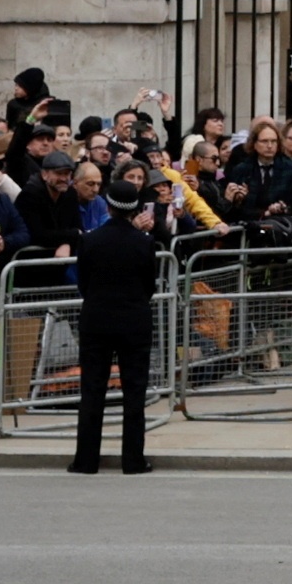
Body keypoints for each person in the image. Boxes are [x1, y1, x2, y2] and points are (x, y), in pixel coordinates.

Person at [69, 153, 166, 475]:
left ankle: (85, 460)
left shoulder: (91, 242)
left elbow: (83, 283)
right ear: (135, 209)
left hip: (96, 318)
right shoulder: (144, 243)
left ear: (108, 206)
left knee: (92, 390)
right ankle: (133, 460)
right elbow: (149, 285)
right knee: (134, 391)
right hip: (134, 320)